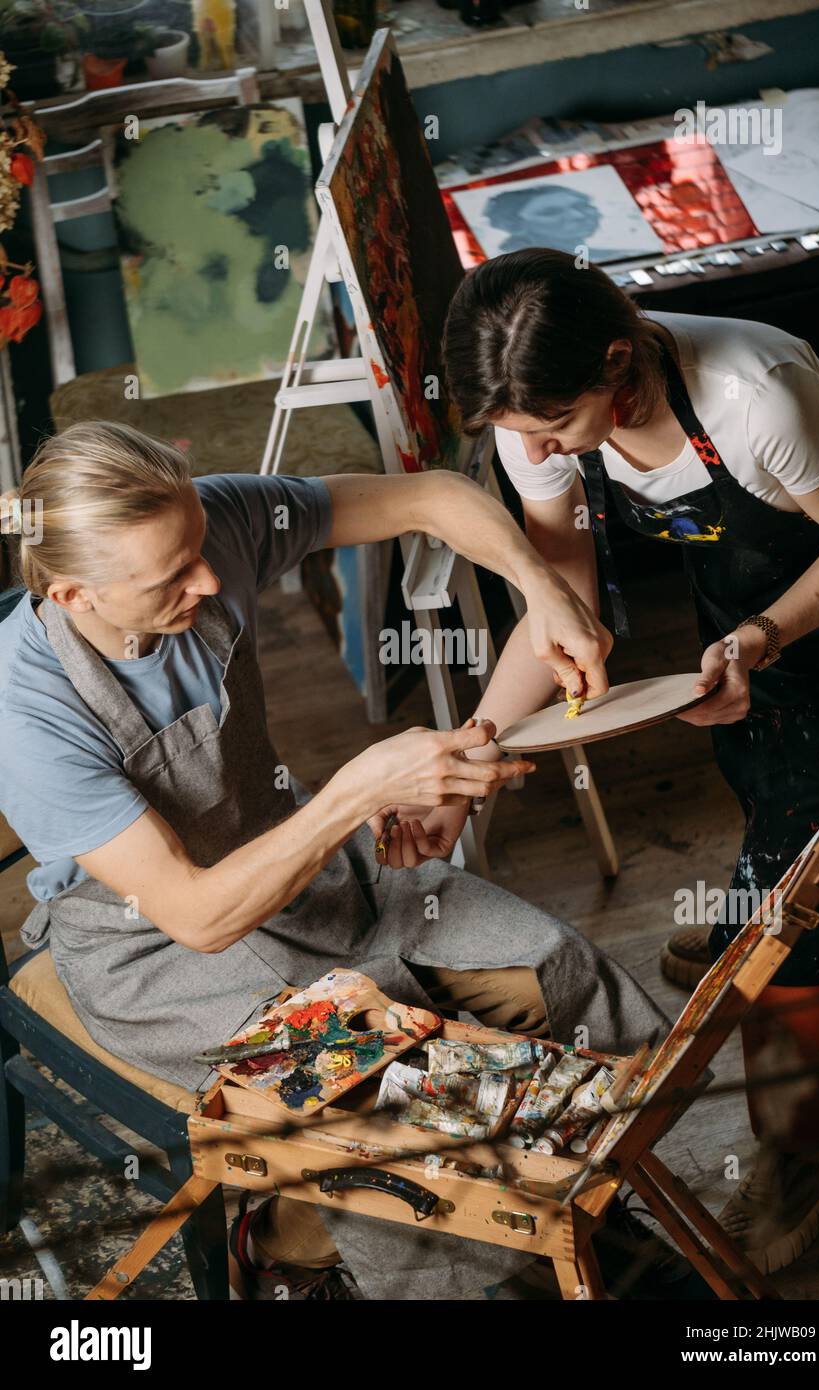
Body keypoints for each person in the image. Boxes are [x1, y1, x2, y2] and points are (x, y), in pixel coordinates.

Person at [0, 420, 673, 1301]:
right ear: (73, 593)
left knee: (555, 968)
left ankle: (591, 1195)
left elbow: (436, 496)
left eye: (200, 547)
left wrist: (542, 589)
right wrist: (357, 793)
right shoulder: (25, 714)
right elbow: (199, 917)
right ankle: (294, 1248)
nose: (208, 578)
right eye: (170, 577)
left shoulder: (211, 523)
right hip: (156, 952)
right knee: (400, 1099)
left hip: (304, 864)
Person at [441, 247, 819, 1275]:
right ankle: (754, 933)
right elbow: (558, 594)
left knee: (791, 925)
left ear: (618, 364)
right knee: (772, 815)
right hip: (753, 642)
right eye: (516, 437)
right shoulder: (532, 416)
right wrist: (472, 751)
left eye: (549, 431)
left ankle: (807, 1153)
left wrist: (765, 631)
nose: (535, 451)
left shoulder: (754, 395)